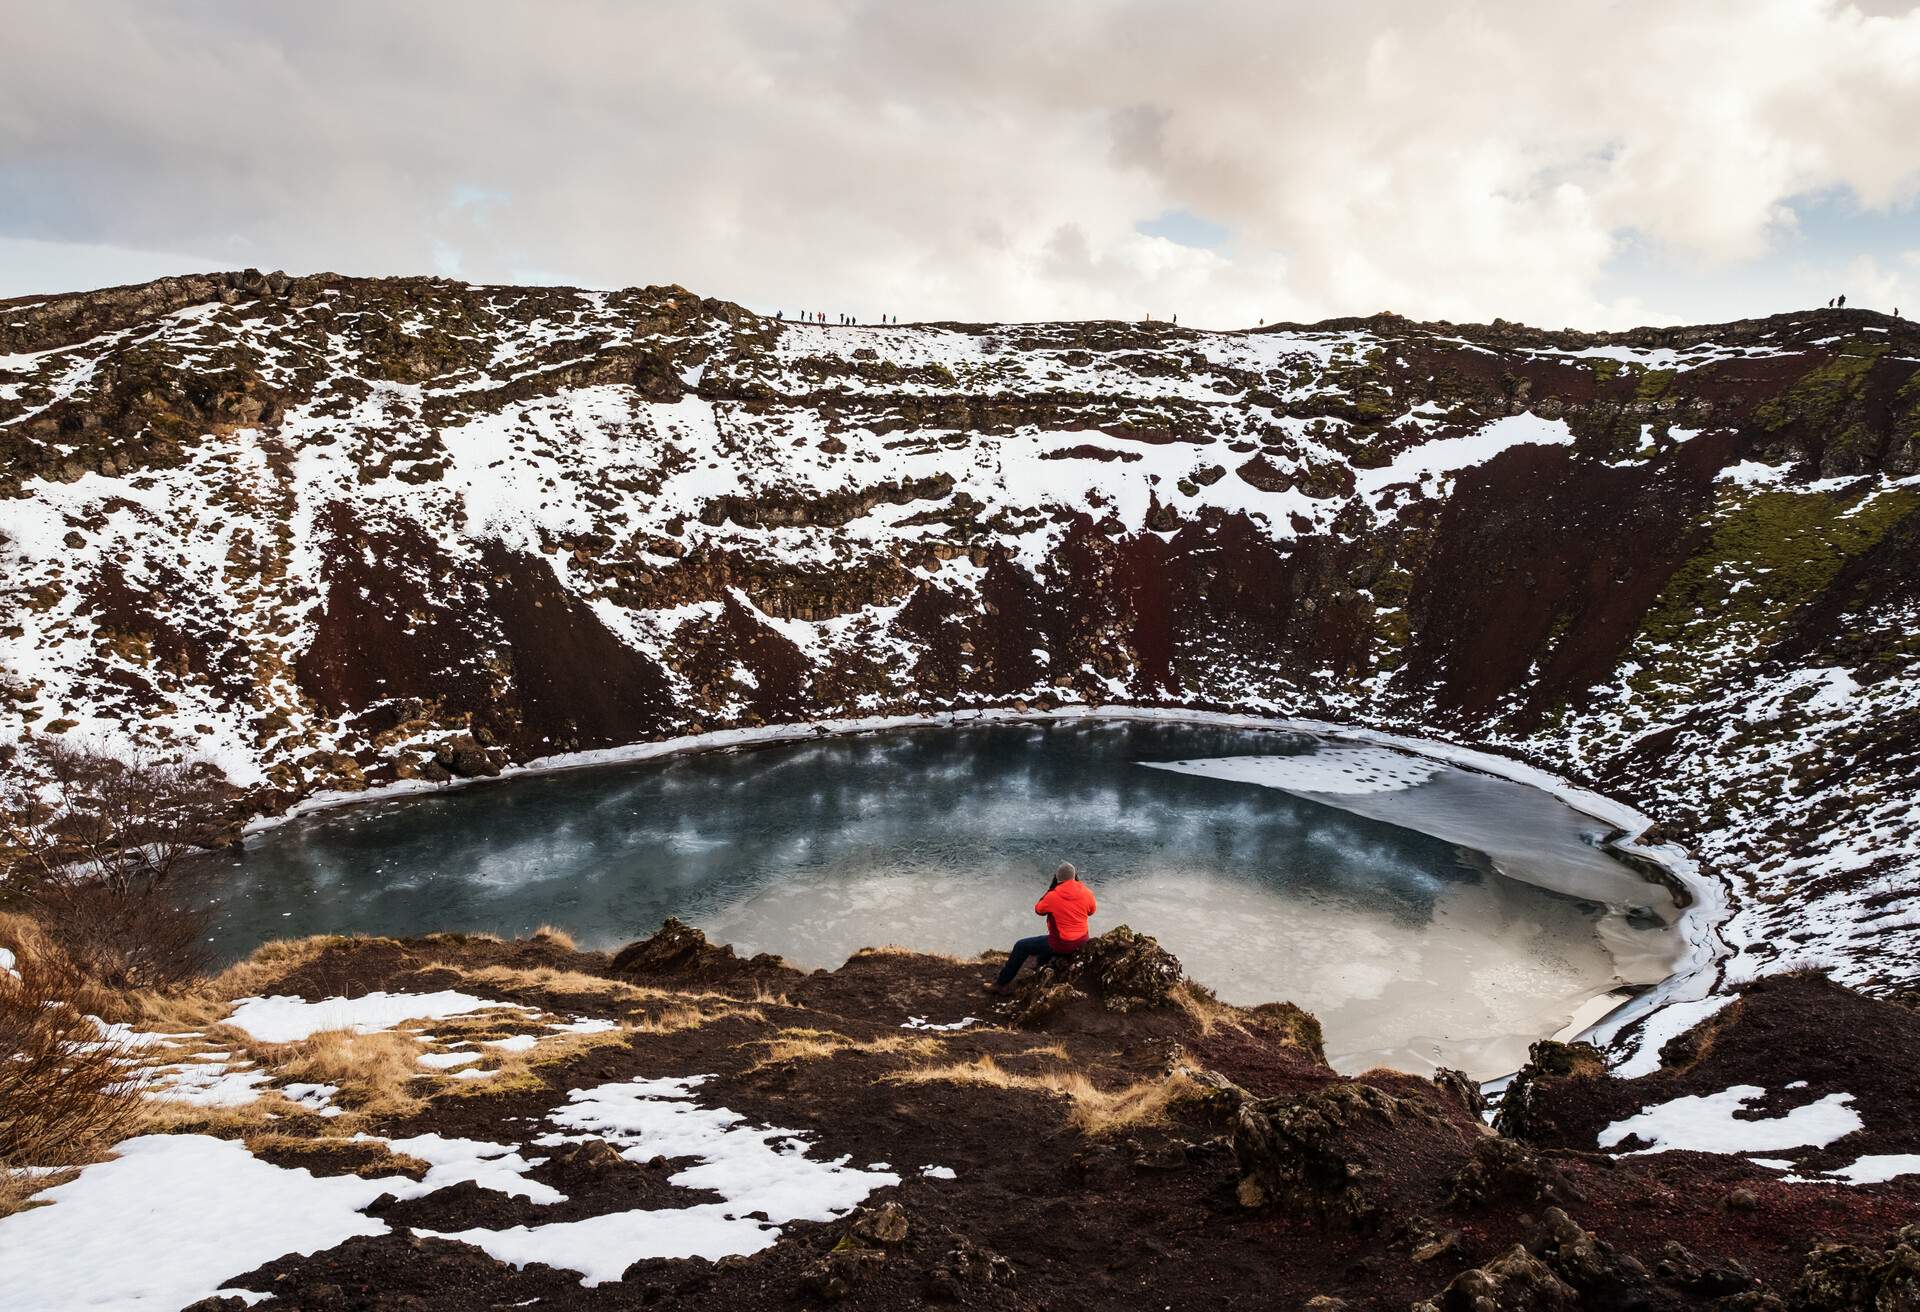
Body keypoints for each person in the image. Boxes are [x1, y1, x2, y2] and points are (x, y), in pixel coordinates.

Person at [986, 862, 1097, 992]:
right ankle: (1041, 972)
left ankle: (1000, 984)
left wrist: (1052, 888)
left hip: (1061, 944)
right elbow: (1091, 911)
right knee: (1043, 951)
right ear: (1075, 876)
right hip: (1082, 941)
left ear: (1057, 878)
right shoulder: (1087, 892)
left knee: (1021, 946)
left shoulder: (1053, 895)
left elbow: (1039, 910)